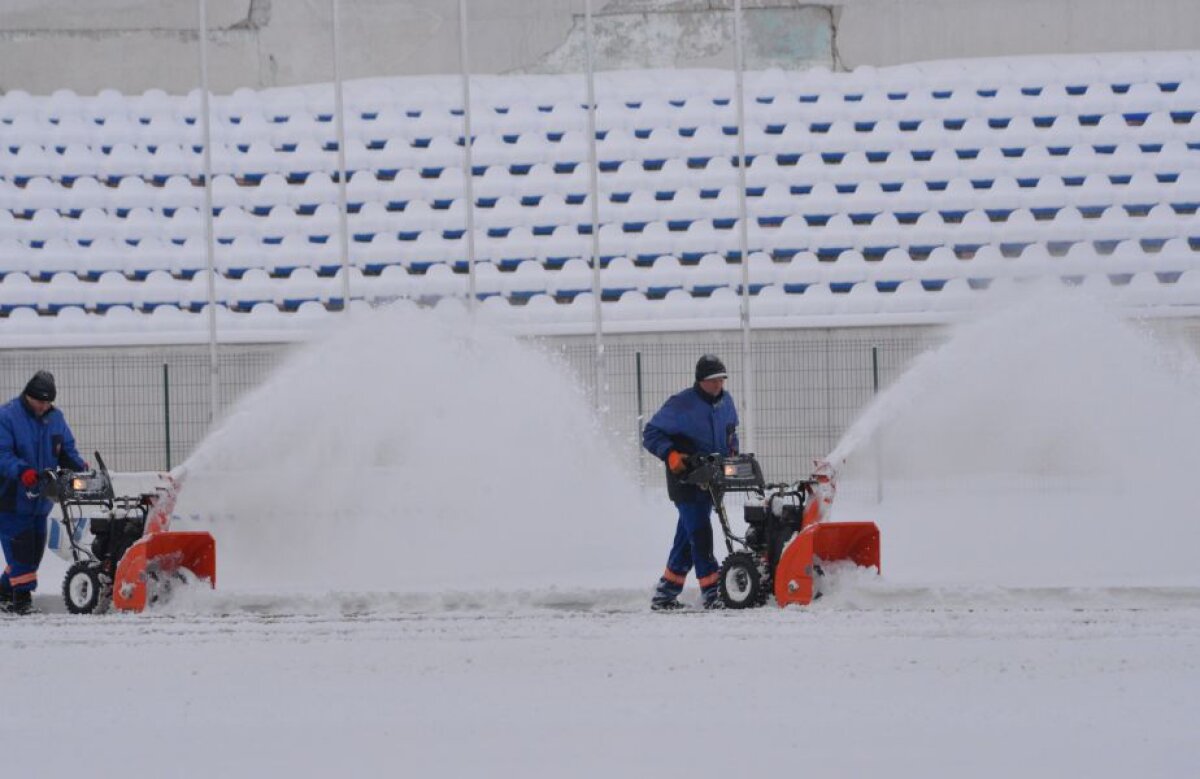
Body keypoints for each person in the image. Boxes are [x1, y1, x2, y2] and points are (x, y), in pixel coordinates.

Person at [642, 354, 739, 611]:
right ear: (700, 381)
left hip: (711, 479)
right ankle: (713, 593)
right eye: (713, 380)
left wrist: (732, 454)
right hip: (685, 480)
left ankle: (665, 594)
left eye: (721, 379)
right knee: (700, 534)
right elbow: (651, 433)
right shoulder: (681, 404)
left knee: (687, 538)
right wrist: (671, 454)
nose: (718, 385)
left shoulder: (726, 402)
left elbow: (731, 433)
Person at [0, 371, 86, 615]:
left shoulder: (55, 418)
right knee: (21, 550)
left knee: (33, 554)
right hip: (11, 497)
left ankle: (4, 592)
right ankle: (22, 602)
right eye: (40, 401)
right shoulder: (7, 416)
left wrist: (79, 467)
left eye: (48, 402)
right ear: (28, 396)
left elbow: (66, 449)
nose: (44, 406)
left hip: (40, 499)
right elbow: (2, 454)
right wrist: (22, 471)